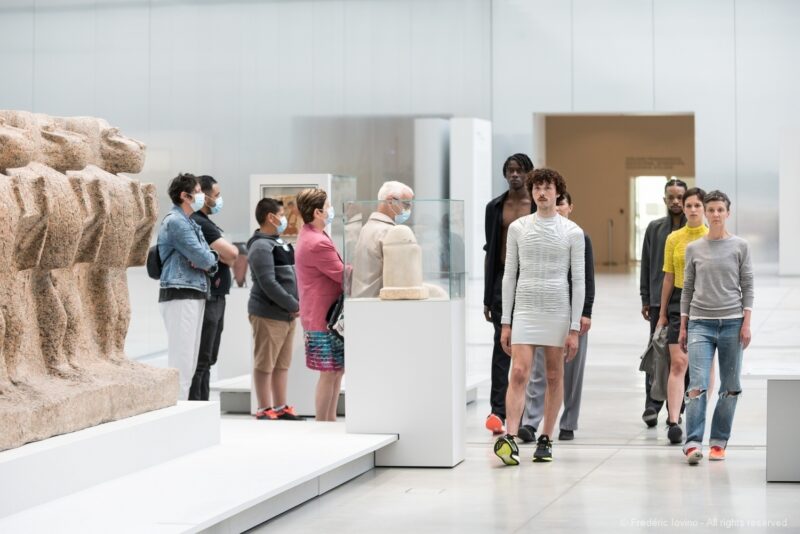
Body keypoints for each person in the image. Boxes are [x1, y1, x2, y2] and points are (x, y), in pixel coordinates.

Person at [494, 168, 585, 465]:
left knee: (553, 375)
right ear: (532, 192)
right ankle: (510, 435)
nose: (542, 193)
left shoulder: (573, 232)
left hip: (557, 308)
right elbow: (509, 275)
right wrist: (505, 322)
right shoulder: (519, 228)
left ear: (558, 192)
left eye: (547, 188)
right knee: (518, 372)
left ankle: (546, 436)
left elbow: (579, 280)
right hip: (525, 308)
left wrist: (574, 327)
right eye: (537, 188)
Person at [680, 190, 753, 464]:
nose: (715, 214)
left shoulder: (740, 246)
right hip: (700, 323)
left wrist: (747, 321)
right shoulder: (694, 248)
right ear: (706, 214)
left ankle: (719, 442)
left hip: (733, 323)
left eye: (720, 210)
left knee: (730, 386)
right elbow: (687, 288)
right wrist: (684, 326)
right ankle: (692, 442)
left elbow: (747, 285)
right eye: (710, 210)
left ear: (728, 212)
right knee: (697, 385)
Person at [518, 191, 594, 443]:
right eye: (556, 203)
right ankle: (531, 421)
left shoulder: (578, 235)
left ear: (570, 207)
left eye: (562, 203)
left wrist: (585, 312)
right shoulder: (535, 234)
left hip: (573, 311)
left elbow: (586, 279)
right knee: (540, 369)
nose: (558, 208)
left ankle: (568, 422)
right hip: (545, 309)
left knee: (571, 371)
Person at [482, 153, 535, 435]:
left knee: (529, 347)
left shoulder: (537, 206)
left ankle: (528, 412)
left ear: (529, 173)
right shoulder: (495, 207)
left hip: (531, 278)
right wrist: (487, 296)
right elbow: (490, 252)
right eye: (510, 171)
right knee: (501, 345)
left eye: (520, 170)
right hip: (503, 278)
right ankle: (497, 411)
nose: (515, 175)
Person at [157, 173, 218, 400]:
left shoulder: (190, 222)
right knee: (181, 360)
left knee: (190, 360)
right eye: (199, 191)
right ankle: (176, 408)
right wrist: (209, 259)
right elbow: (206, 259)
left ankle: (182, 408)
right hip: (180, 294)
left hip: (195, 293)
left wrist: (208, 259)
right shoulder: (176, 222)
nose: (203, 196)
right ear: (185, 196)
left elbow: (207, 257)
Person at [657, 187, 708, 445]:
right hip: (678, 303)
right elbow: (668, 276)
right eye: (689, 205)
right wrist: (662, 313)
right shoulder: (674, 238)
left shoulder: (712, 236)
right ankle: (673, 421)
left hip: (707, 304)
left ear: (704, 208)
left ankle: (700, 420)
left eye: (697, 205)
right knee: (678, 363)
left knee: (703, 368)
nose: (692, 209)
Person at [247, 198, 302, 420]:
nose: (285, 218)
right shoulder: (260, 245)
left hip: (287, 315)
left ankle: (280, 406)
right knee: (265, 362)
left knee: (282, 363)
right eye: (281, 214)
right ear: (270, 217)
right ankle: (264, 407)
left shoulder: (280, 242)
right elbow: (268, 283)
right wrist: (293, 304)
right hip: (269, 314)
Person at [294, 188, 345, 422]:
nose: (331, 210)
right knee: (329, 371)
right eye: (329, 205)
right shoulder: (317, 242)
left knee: (335, 370)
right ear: (318, 211)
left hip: (321, 314)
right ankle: (324, 421)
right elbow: (341, 274)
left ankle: (329, 419)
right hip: (323, 316)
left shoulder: (310, 234)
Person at [639, 179, 687, 427]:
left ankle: (675, 407)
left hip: (684, 303)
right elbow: (646, 264)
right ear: (665, 199)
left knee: (680, 356)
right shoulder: (655, 228)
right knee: (657, 353)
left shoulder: (695, 230)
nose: (676, 201)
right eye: (672, 197)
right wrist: (646, 298)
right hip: (659, 302)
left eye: (680, 197)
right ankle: (651, 404)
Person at [189, 175, 239, 401]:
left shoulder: (206, 223)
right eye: (216, 195)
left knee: (208, 359)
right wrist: (227, 256)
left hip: (217, 295)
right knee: (202, 358)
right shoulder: (201, 223)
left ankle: (202, 406)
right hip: (208, 296)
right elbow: (231, 254)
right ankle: (197, 406)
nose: (219, 200)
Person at [350, 181, 414, 298]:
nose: (409, 210)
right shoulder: (390, 232)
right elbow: (401, 279)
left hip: (362, 304)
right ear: (390, 201)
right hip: (379, 306)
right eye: (406, 205)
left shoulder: (366, 228)